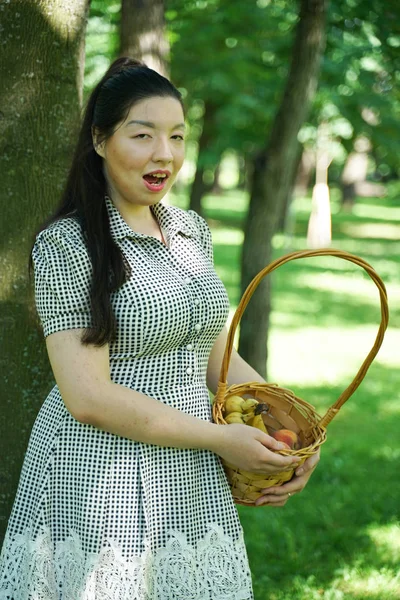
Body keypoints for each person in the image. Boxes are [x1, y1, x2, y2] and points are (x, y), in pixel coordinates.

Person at [0, 57, 319, 600]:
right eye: (142, 135)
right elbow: (88, 397)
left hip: (191, 470)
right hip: (103, 473)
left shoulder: (190, 229)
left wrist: (285, 432)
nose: (165, 154)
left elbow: (215, 355)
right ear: (100, 140)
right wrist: (223, 439)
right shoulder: (67, 244)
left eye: (176, 136)